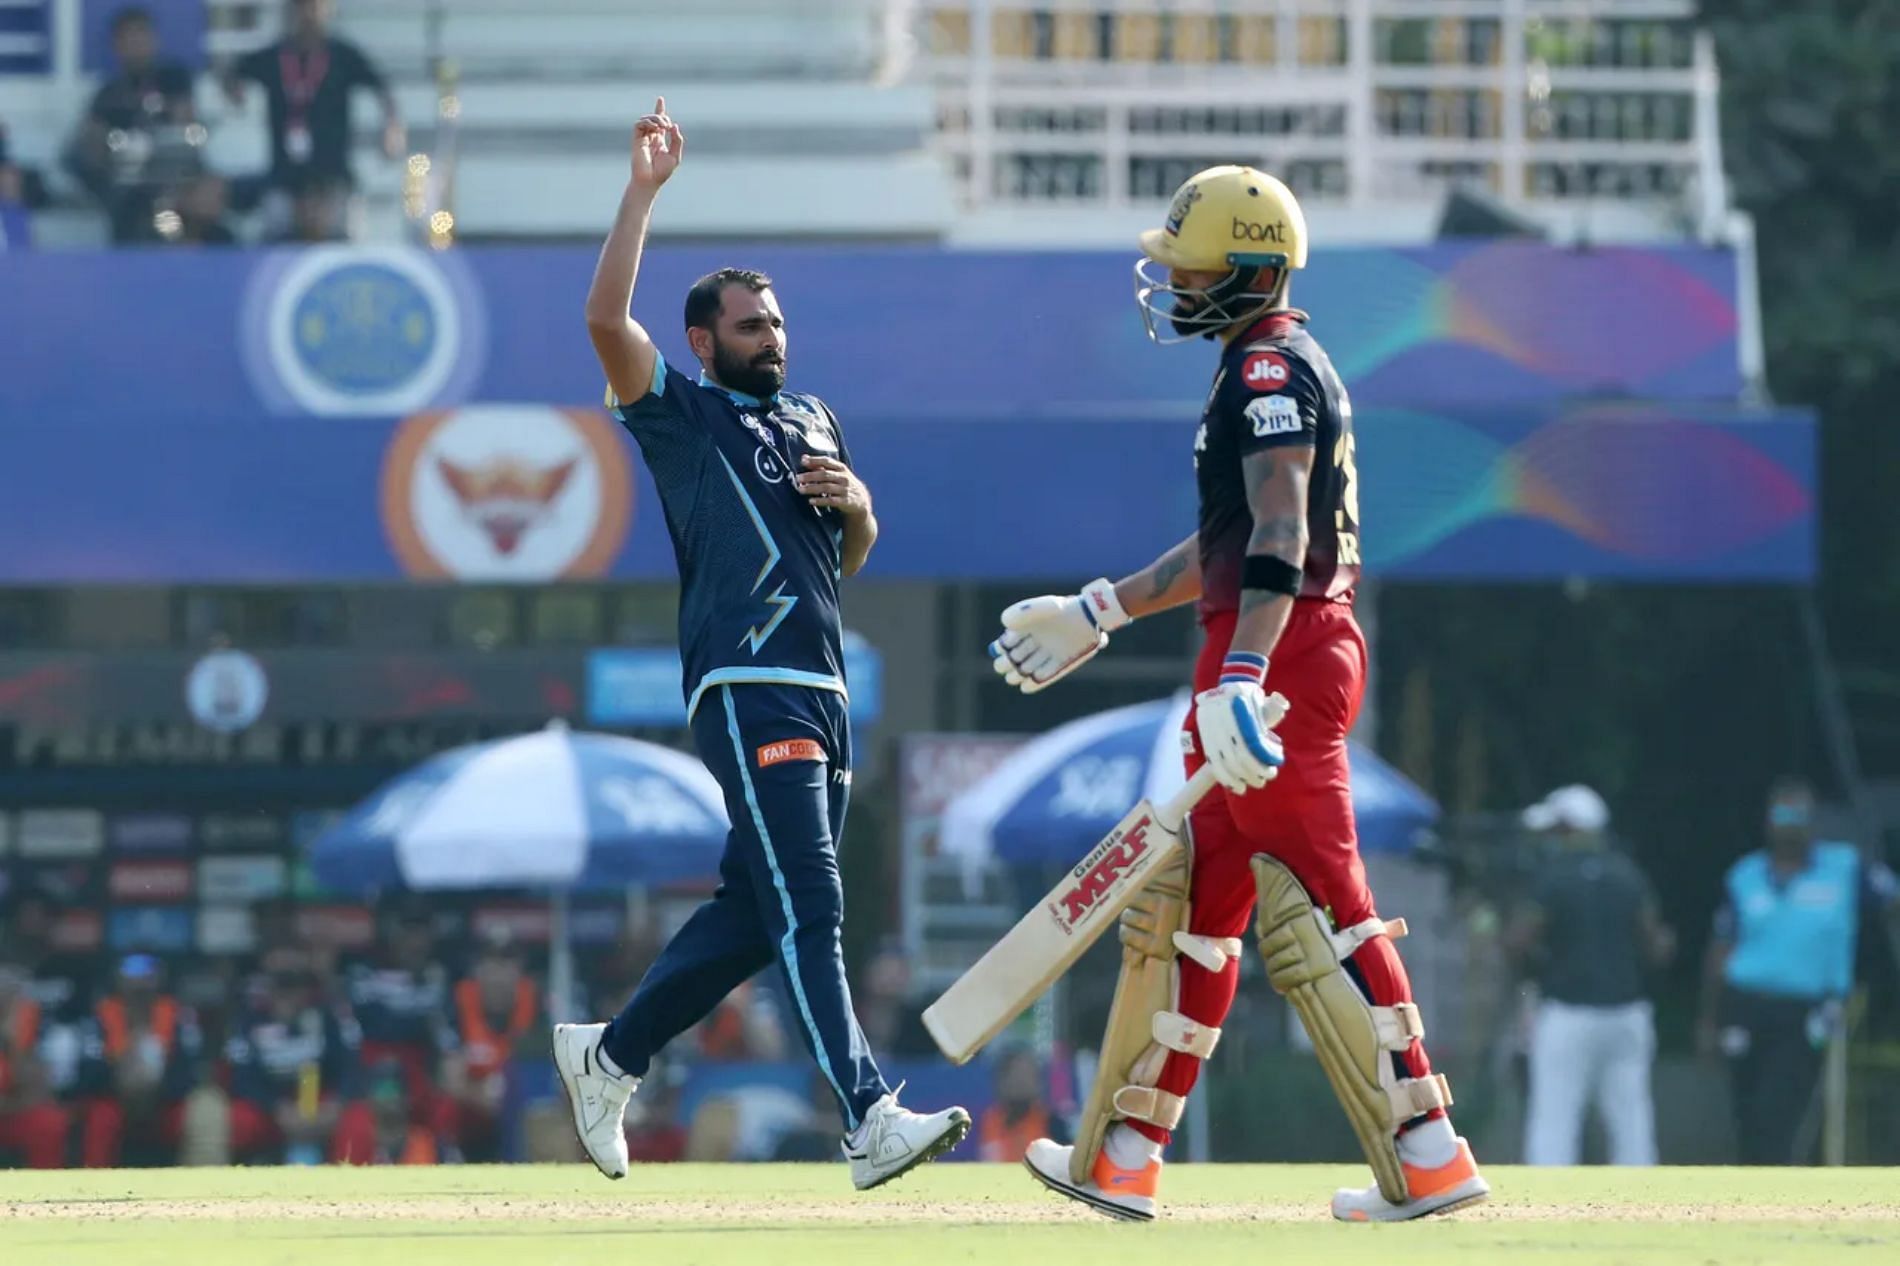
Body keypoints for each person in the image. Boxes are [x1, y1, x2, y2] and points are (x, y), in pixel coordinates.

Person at [990, 165, 1487, 1222]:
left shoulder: (1268, 371)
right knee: (1197, 908)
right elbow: (1225, 541)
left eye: (1195, 264)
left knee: (1328, 907)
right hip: (1266, 647)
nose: (1173, 279)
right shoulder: (1254, 366)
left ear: (1253, 270)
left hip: (1283, 655)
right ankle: (1127, 1149)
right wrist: (1100, 612)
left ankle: (1428, 1147)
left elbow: (1277, 533)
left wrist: (1246, 674)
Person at [554, 97, 969, 1192]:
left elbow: (843, 557)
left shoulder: (815, 418)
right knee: (816, 903)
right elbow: (604, 320)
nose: (772, 338)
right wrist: (642, 190)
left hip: (823, 687)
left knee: (756, 913)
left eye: (777, 323)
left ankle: (608, 1057)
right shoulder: (680, 416)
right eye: (750, 326)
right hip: (746, 684)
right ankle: (868, 1115)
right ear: (704, 341)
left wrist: (863, 507)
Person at [1699, 777, 1899, 1164]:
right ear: (1768, 821)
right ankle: (1752, 1191)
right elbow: (1721, 947)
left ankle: (1777, 1195)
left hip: (1808, 1008)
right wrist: (1709, 1017)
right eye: (1783, 814)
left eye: (1799, 814)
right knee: (1748, 1107)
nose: (1790, 823)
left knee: (1784, 1108)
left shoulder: (1844, 867)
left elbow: (1891, 900)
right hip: (1748, 1005)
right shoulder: (1746, 874)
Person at [1508, 786, 1673, 1166]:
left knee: (1555, 1118)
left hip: (1568, 1014)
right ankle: (1643, 1204)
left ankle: (1546, 1206)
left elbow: (1519, 940)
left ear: (1569, 829)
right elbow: (1657, 946)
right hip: (1627, 1012)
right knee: (1631, 1119)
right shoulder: (1629, 876)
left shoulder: (1552, 879)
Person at [220, 0, 402, 218]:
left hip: (333, 173)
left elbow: (381, 87)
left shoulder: (343, 55)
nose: (308, 14)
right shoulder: (274, 56)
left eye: (314, 7)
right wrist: (235, 92)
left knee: (339, 243)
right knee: (279, 237)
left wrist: (392, 127)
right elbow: (232, 73)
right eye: (301, 7)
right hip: (284, 175)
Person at [77, 954, 206, 1167]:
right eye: (132, 973)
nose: (139, 984)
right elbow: (88, 1072)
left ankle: (200, 1185)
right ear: (118, 979)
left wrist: (156, 1088)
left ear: (159, 978)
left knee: (200, 1111)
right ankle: (92, 1187)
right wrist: (123, 1079)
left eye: (147, 974)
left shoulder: (178, 1016)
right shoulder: (100, 1016)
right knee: (100, 1116)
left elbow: (190, 1069)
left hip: (167, 1099)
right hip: (114, 1097)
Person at [0, 964, 71, 1167]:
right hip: (9, 1106)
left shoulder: (29, 1028)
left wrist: (11, 1040)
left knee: (49, 1121)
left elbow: (38, 1092)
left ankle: (46, 1190)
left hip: (11, 1115)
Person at [978, 1045, 1068, 1162]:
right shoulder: (989, 1122)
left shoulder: (1054, 1125)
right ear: (1001, 1081)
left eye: (1028, 1075)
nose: (1022, 1083)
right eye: (1016, 1075)